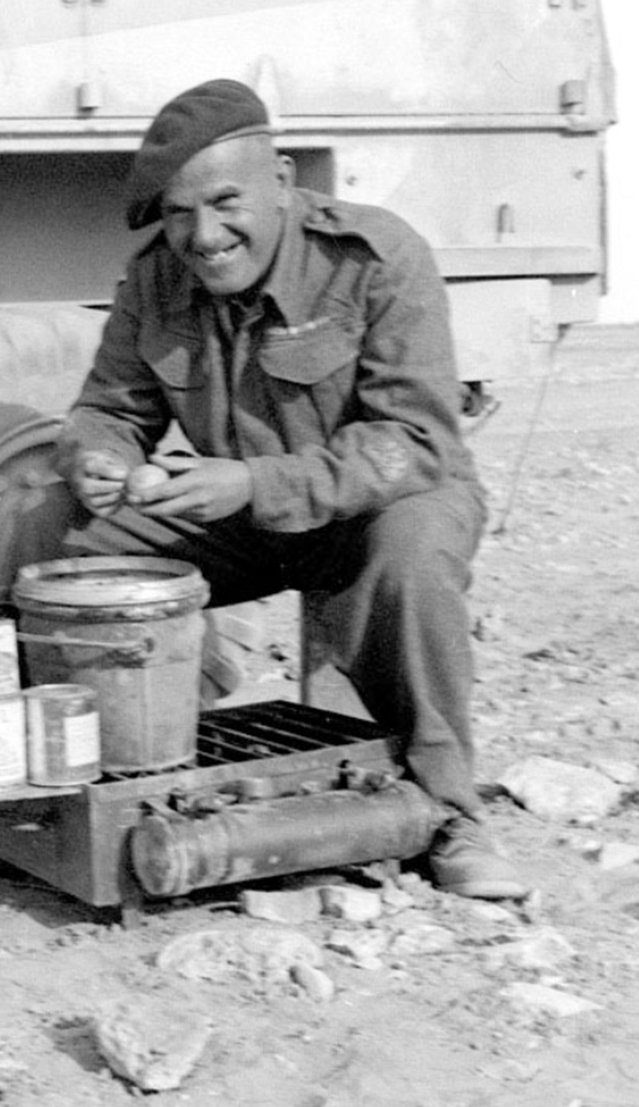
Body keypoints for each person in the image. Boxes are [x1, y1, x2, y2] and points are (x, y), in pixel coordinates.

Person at [56, 78, 525, 900]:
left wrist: (251, 482)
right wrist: (97, 457)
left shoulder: (376, 257)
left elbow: (417, 443)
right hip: (243, 519)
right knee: (64, 562)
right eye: (176, 214)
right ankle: (94, 787)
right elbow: (108, 407)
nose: (204, 236)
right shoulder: (154, 282)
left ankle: (451, 814)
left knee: (409, 560)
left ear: (280, 178)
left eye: (227, 201)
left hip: (384, 503)